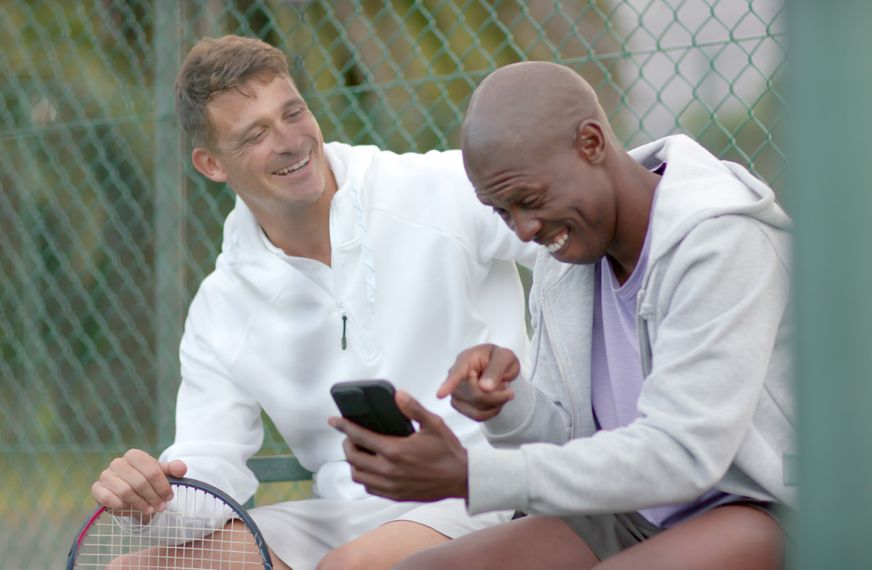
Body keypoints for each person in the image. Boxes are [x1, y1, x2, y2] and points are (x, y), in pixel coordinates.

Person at [90, 35, 536, 569]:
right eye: (255, 133)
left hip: (482, 488)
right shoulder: (220, 308)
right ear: (212, 164)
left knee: (348, 567)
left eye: (293, 112)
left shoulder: (437, 188)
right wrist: (151, 496)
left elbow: (577, 222)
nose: (289, 140)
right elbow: (209, 470)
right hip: (344, 517)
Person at [331, 61, 794, 569]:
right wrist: (507, 405)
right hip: (630, 513)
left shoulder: (720, 240)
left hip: (765, 511)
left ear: (591, 143)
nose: (524, 230)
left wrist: (471, 475)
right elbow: (575, 449)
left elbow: (684, 454)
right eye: (503, 212)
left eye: (529, 200)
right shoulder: (568, 257)